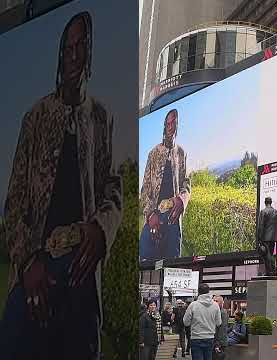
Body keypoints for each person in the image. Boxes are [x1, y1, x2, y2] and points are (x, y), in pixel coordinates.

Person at [1, 12, 122, 360]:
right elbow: (15, 201)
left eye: (79, 45)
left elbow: (112, 189)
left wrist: (101, 230)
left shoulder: (102, 117)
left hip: (80, 274)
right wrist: (27, 263)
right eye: (66, 47)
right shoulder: (36, 117)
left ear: (89, 51)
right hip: (36, 273)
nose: (72, 54)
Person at [140, 108, 191, 261]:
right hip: (154, 218)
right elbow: (145, 189)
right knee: (147, 264)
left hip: (172, 220)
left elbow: (186, 185)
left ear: (177, 125)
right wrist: (150, 215)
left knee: (172, 265)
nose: (170, 126)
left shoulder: (182, 153)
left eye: (173, 123)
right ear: (164, 126)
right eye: (167, 124)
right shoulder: (153, 153)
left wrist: (181, 200)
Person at [183, 284, 222, 360]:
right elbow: (219, 323)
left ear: (199, 292)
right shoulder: (215, 305)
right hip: (210, 338)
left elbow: (186, 322)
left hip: (196, 338)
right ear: (209, 292)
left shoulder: (193, 305)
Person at [256, 197, 277, 276]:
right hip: (273, 238)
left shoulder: (263, 212)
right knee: (270, 254)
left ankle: (270, 271)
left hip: (265, 238)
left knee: (267, 255)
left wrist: (259, 238)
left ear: (265, 202)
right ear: (271, 202)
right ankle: (271, 271)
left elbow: (260, 226)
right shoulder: (276, 212)